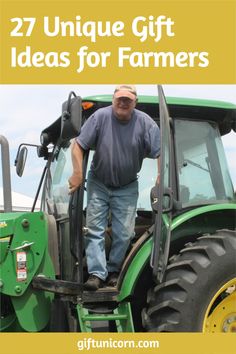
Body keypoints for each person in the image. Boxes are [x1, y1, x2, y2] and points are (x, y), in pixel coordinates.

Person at [68, 85, 160, 290]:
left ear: (135, 102)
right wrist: (77, 173)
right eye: (120, 98)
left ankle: (114, 270)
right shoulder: (100, 118)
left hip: (127, 186)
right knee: (94, 229)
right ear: (113, 99)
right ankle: (96, 274)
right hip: (98, 182)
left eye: (128, 99)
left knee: (125, 233)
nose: (123, 102)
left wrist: (162, 175)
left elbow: (159, 151)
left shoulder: (145, 123)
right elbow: (78, 145)